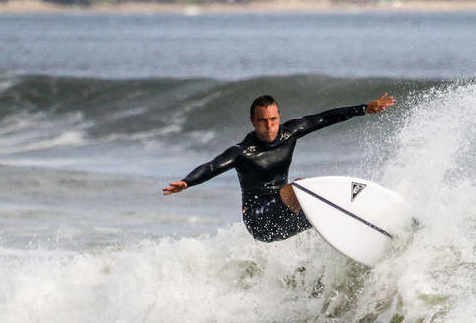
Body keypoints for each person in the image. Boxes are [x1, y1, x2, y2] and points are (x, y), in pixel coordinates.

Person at [163, 93, 395, 242]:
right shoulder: (242, 151)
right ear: (254, 122)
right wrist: (187, 182)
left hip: (285, 215)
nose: (269, 126)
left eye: (273, 119)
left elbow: (324, 118)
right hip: (258, 220)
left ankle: (359, 232)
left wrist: (364, 108)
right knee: (303, 187)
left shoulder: (289, 132)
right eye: (263, 121)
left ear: (279, 117)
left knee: (317, 208)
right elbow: (212, 166)